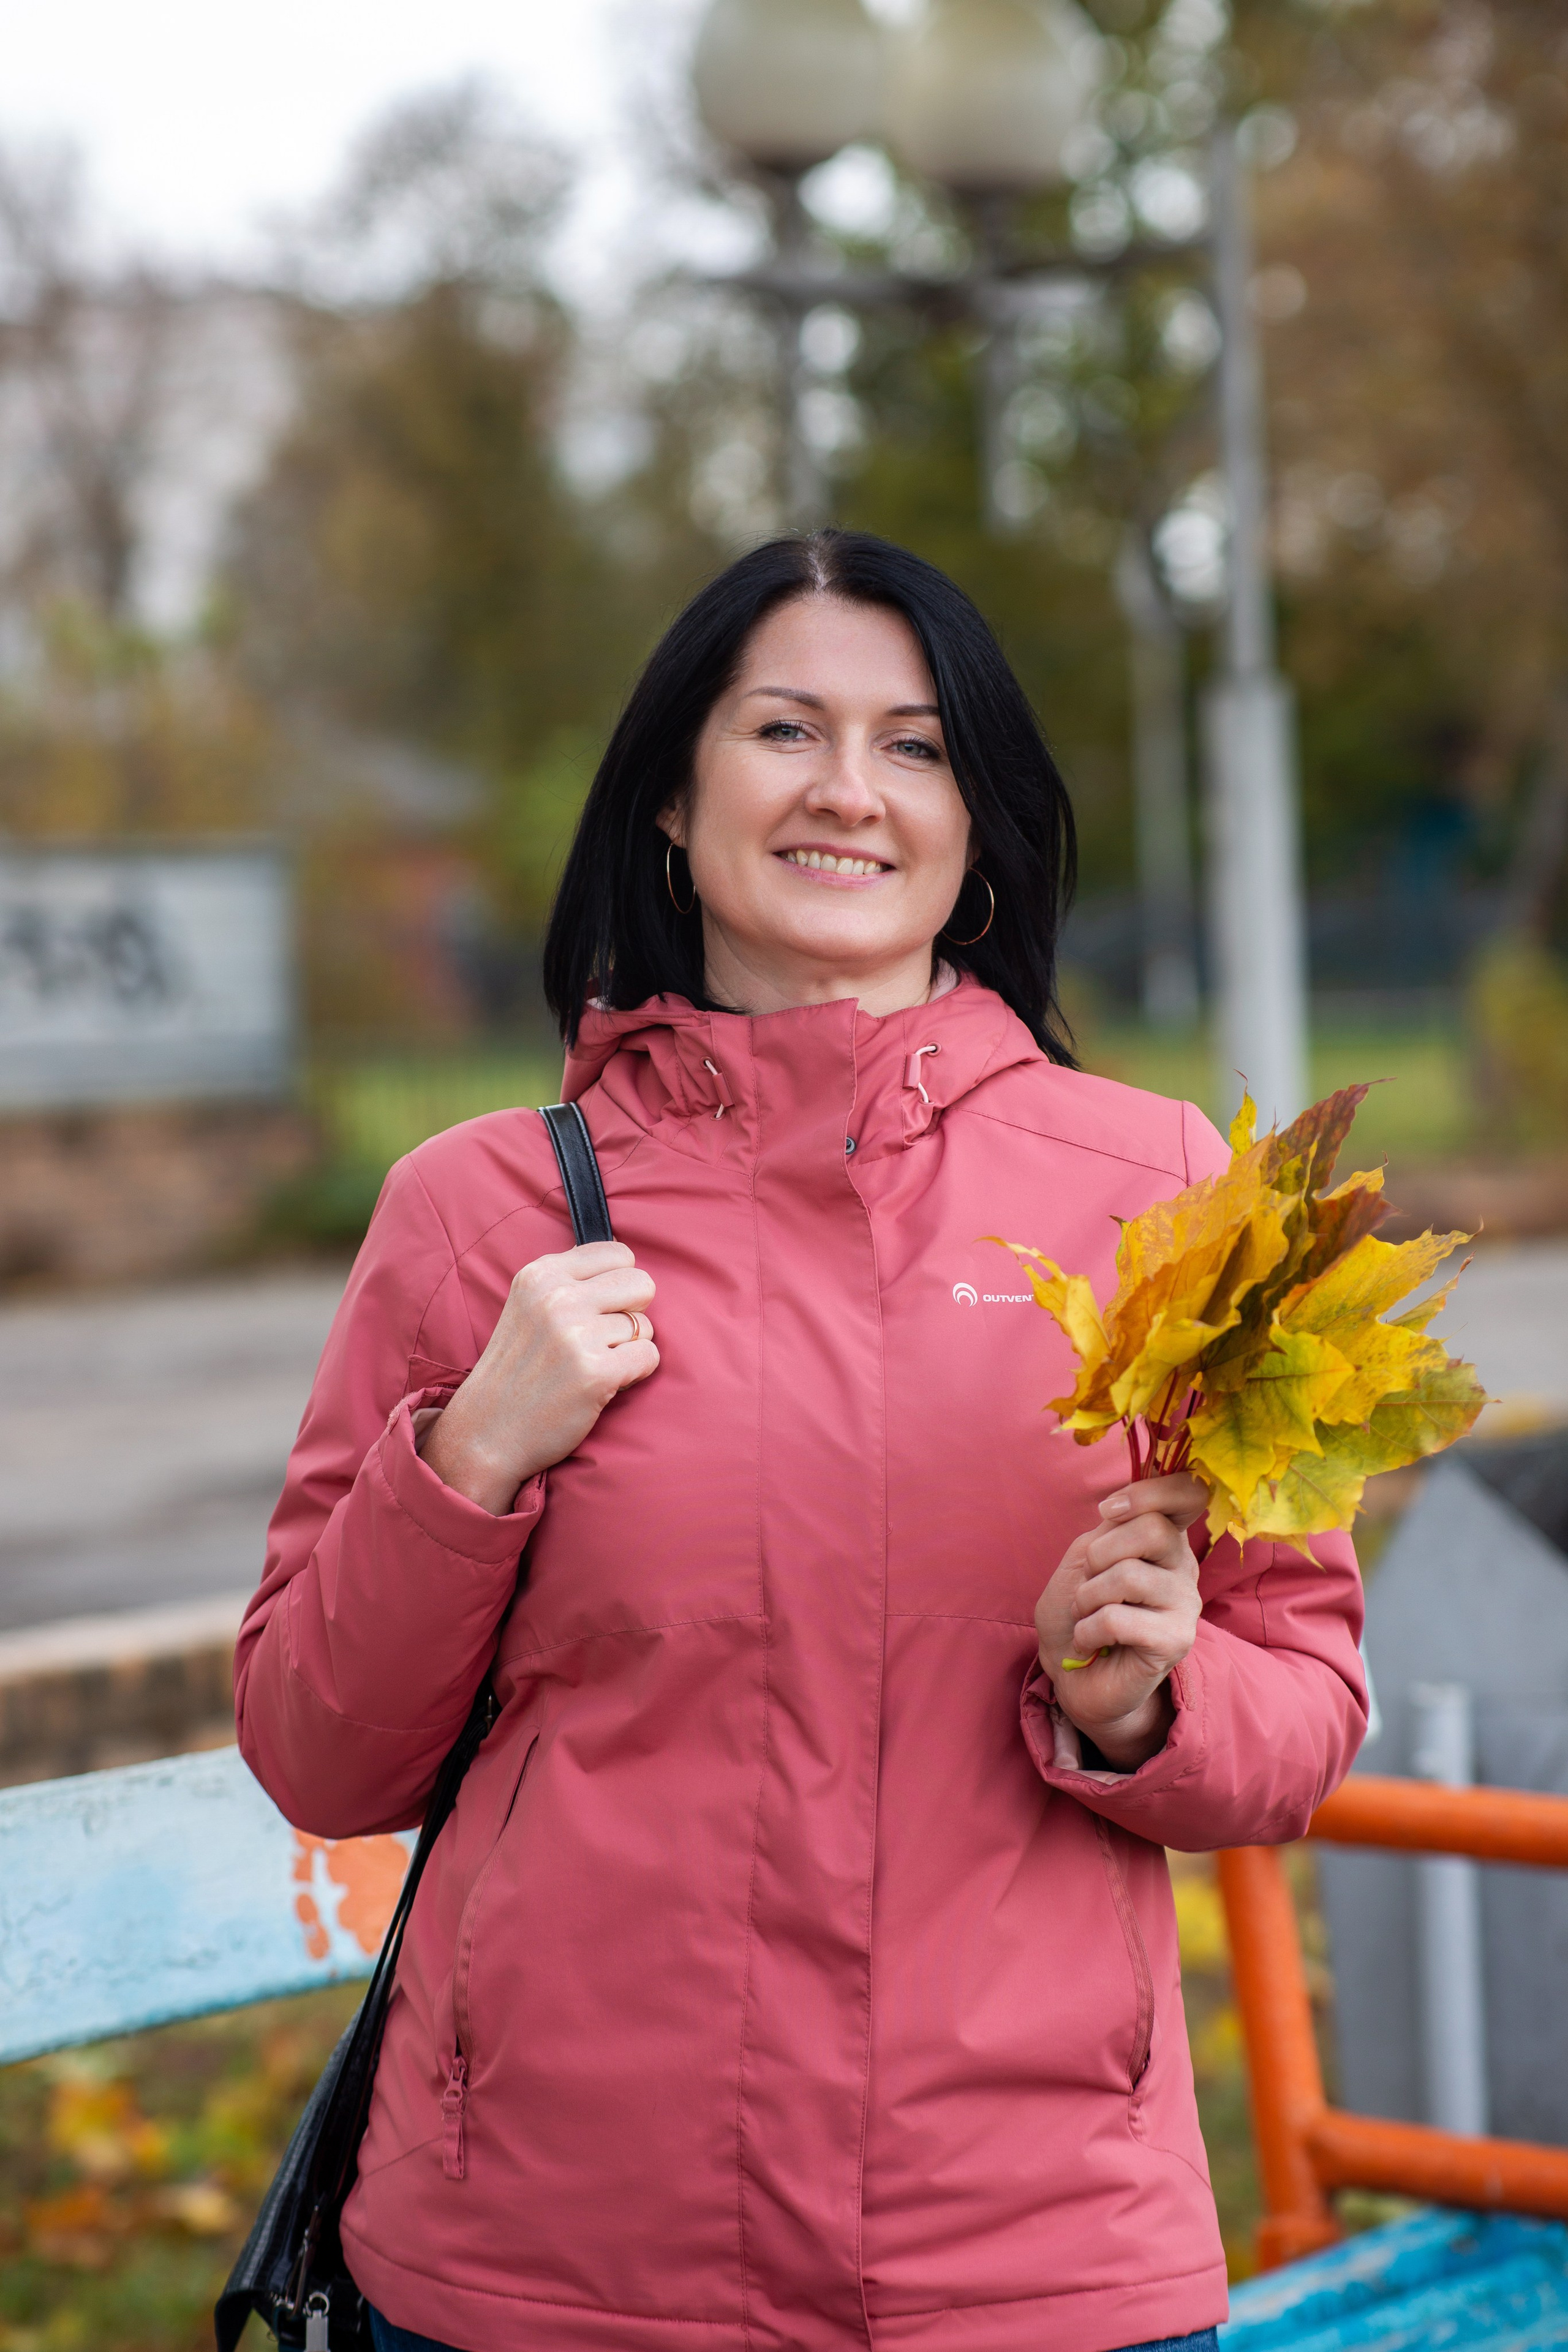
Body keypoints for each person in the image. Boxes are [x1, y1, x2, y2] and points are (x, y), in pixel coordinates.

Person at [236, 530, 1366, 2352]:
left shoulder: (1165, 1196)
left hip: (1027, 2261)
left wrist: (1154, 1708)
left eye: (916, 747)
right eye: (786, 729)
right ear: (674, 796)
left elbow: (1304, 1704)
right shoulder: (480, 1212)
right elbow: (315, 1749)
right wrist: (469, 1465)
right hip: (546, 2267)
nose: (851, 791)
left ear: (980, 821)